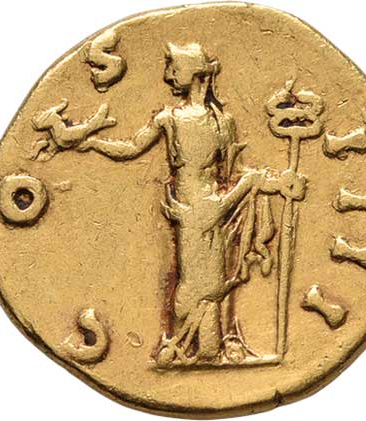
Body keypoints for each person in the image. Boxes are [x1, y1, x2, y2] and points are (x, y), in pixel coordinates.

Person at [77, 42, 305, 365]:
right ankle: (198, 350)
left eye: (174, 68)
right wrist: (93, 143)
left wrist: (279, 184)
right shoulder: (169, 119)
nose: (168, 76)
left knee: (202, 287)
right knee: (193, 288)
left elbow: (234, 173)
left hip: (210, 209)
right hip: (190, 213)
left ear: (194, 73)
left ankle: (201, 352)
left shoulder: (222, 122)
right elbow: (130, 148)